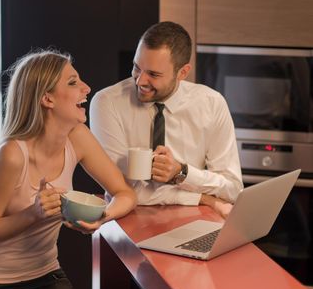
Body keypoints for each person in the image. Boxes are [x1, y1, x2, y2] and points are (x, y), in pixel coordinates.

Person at [0, 49, 137, 289]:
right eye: (73, 82)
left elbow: (125, 193)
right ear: (47, 99)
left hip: (46, 274)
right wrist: (34, 213)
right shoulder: (11, 154)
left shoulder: (77, 137)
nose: (86, 88)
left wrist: (102, 217)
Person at [90, 21, 243, 218]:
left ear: (183, 73)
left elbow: (232, 189)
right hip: (127, 222)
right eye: (137, 67)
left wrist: (183, 172)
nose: (140, 80)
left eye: (153, 74)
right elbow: (124, 192)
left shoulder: (212, 104)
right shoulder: (107, 103)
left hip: (194, 223)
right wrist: (205, 198)